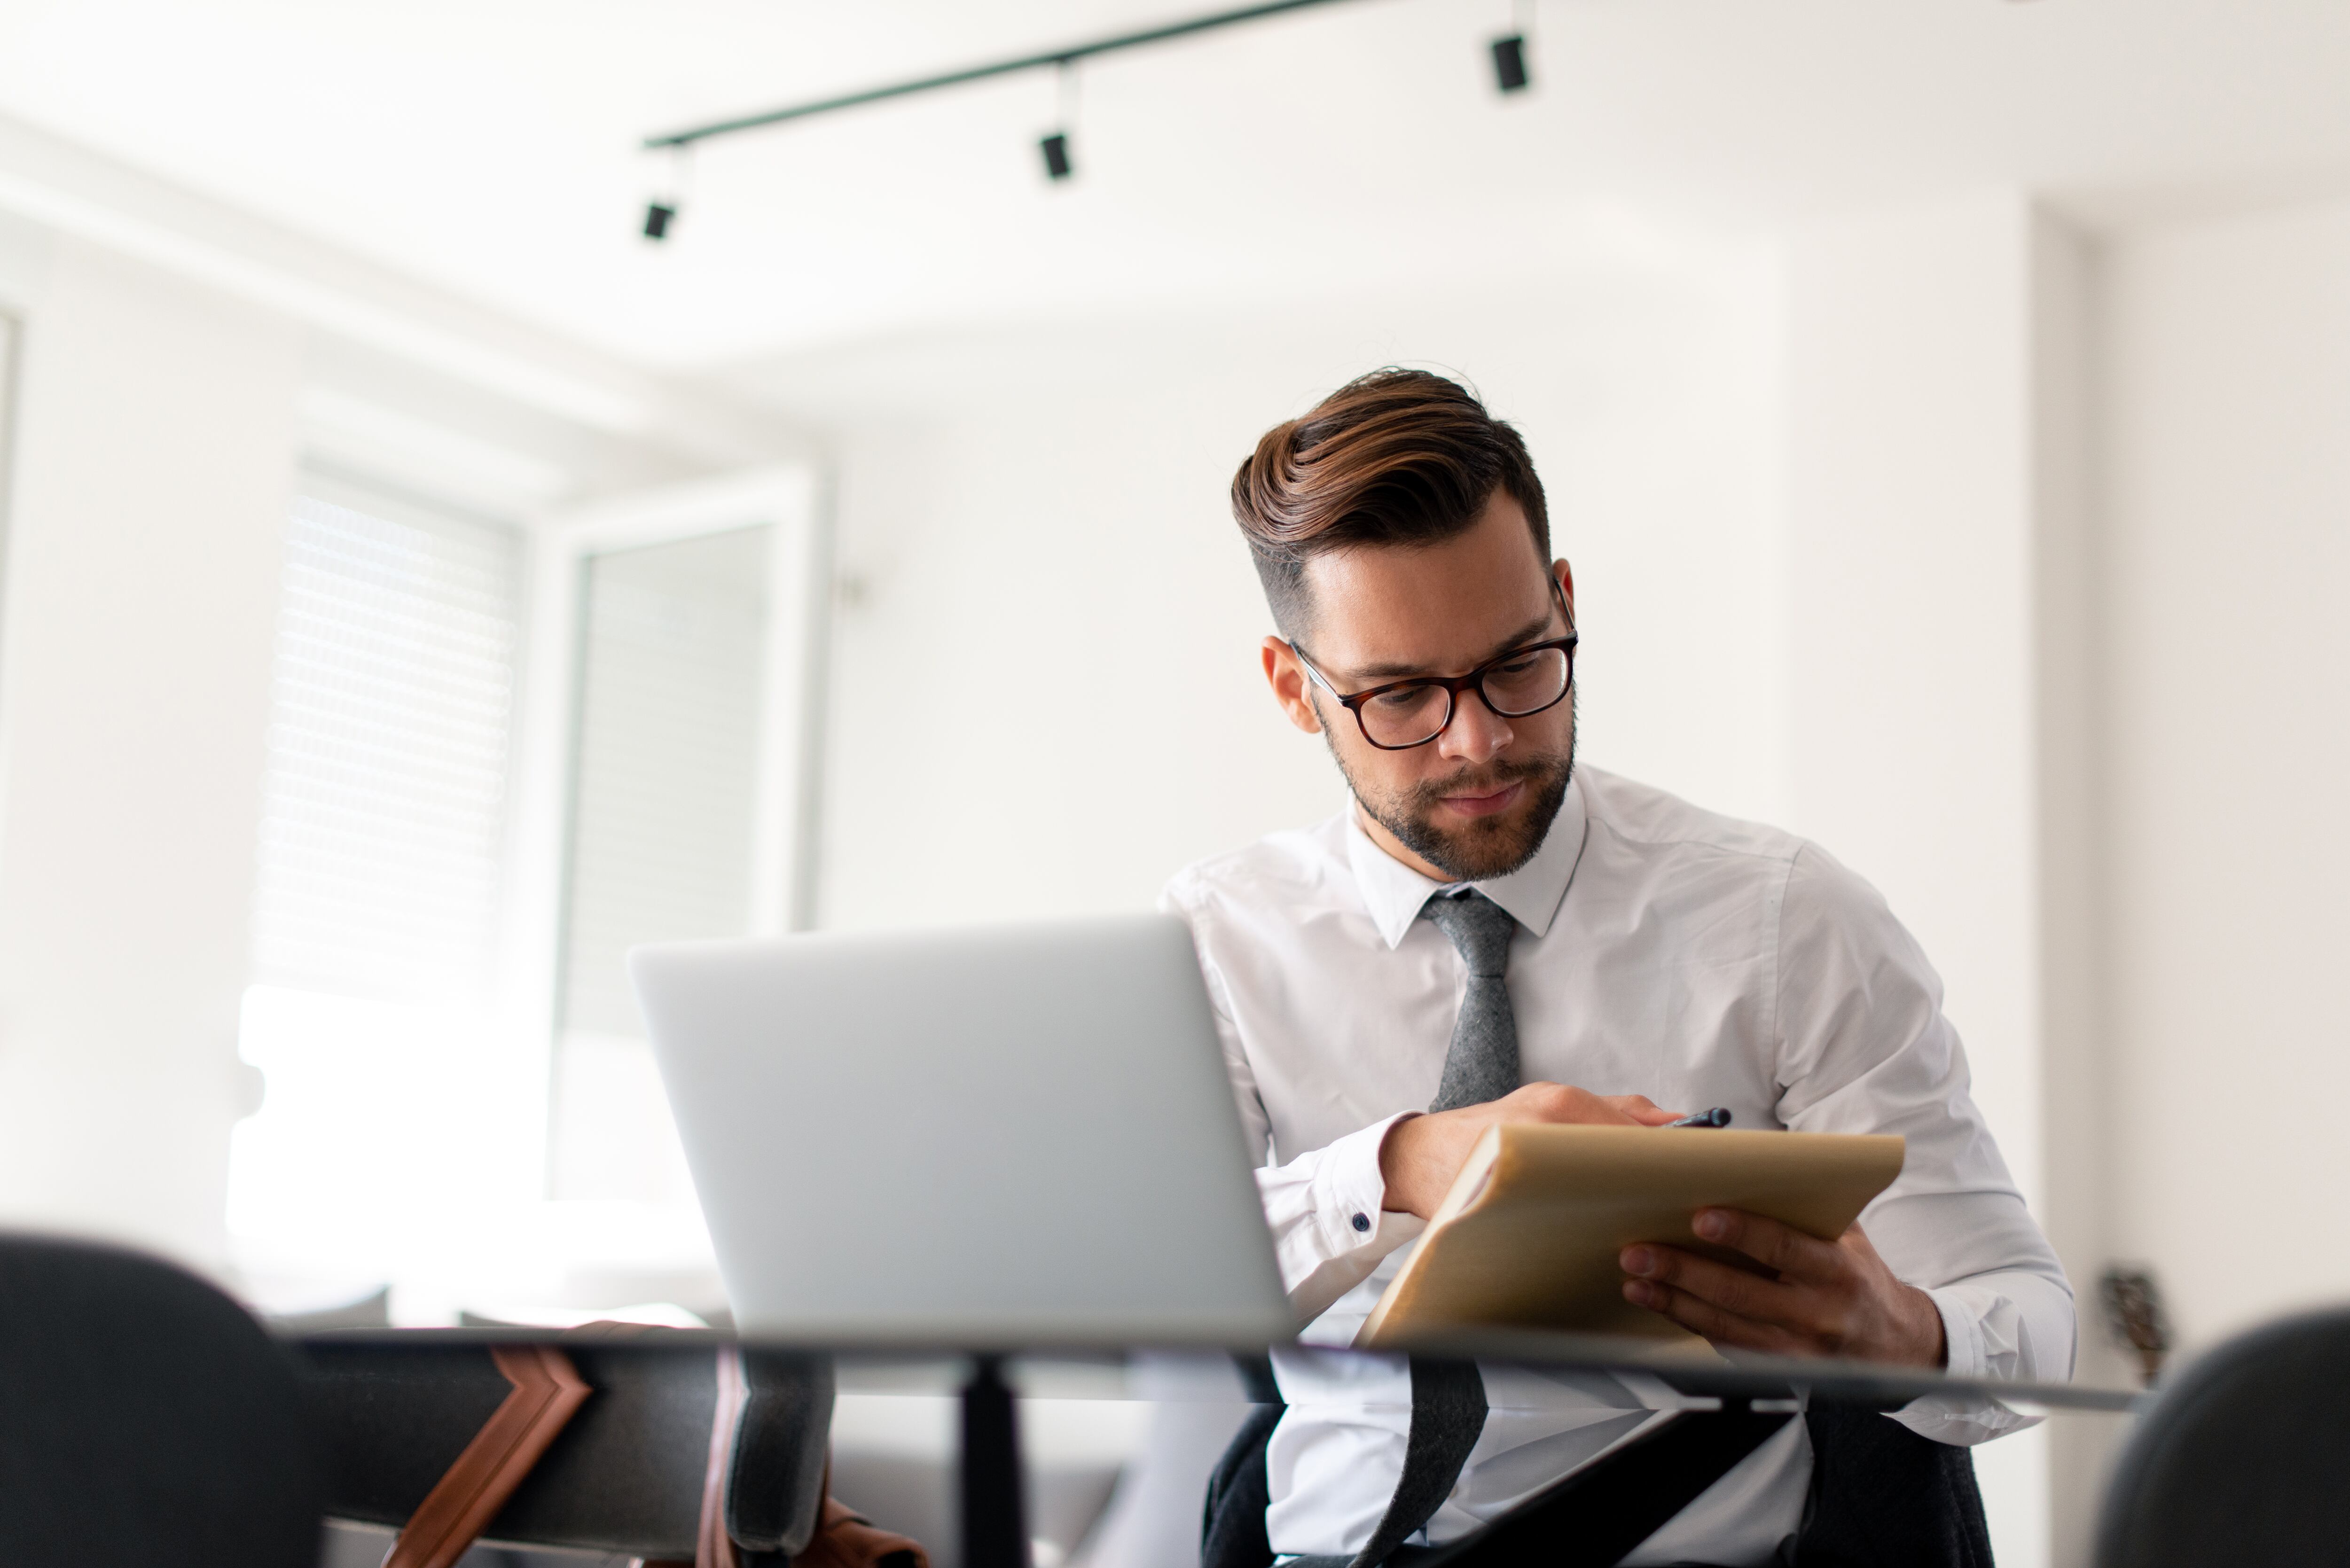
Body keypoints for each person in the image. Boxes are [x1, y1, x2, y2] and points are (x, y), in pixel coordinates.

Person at [1160, 369, 2074, 1565]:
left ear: (1564, 600)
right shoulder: (1219, 939)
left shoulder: (1787, 920)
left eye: (1519, 663)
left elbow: (2034, 1324)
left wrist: (1902, 1333)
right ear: (1295, 689)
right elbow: (1140, 1290)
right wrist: (1397, 1166)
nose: (1479, 737)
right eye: (1399, 697)